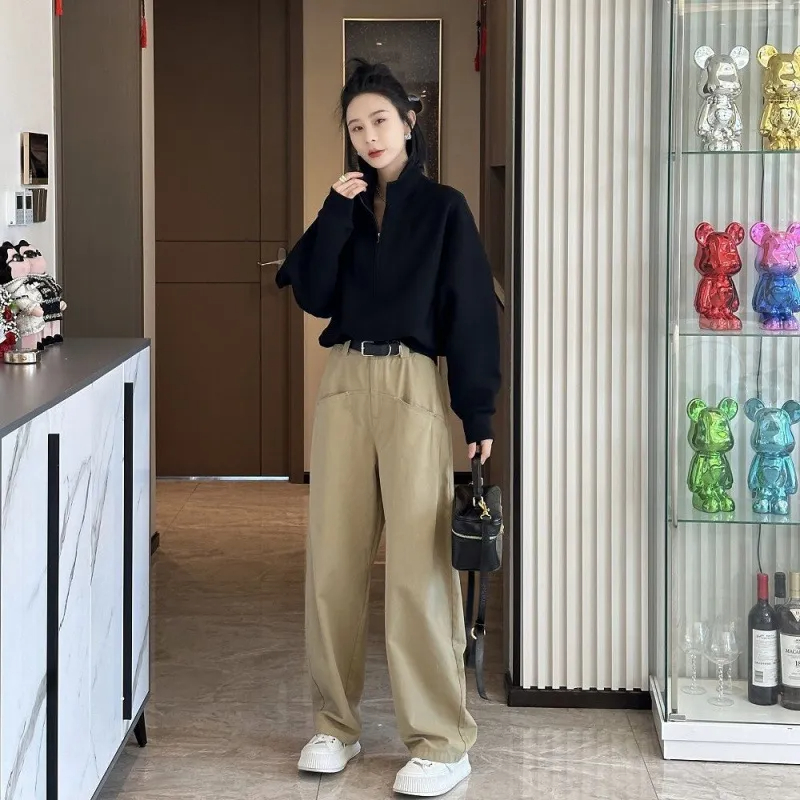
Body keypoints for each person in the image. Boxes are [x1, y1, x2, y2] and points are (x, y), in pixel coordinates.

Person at [275, 58, 500, 798]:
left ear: (408, 121)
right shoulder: (343, 206)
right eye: (355, 126)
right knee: (333, 563)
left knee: (419, 568)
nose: (369, 136)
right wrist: (332, 214)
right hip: (344, 382)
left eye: (379, 120)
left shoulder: (444, 209)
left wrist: (477, 411)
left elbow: (471, 313)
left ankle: (441, 740)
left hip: (412, 383)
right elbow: (312, 293)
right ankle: (334, 725)